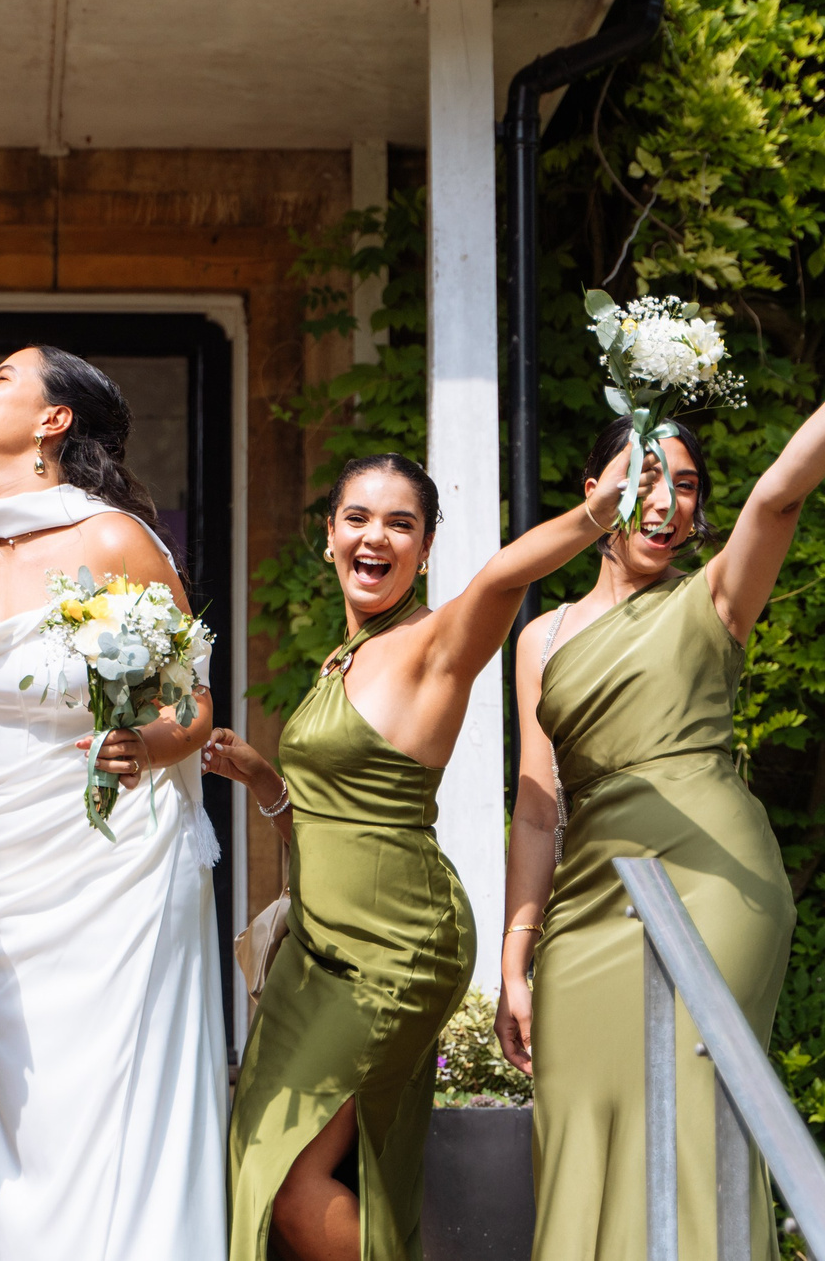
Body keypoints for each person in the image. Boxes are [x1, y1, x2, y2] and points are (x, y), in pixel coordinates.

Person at [498, 303, 825, 1261]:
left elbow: (775, 499)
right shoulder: (543, 638)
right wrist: (518, 950)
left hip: (715, 882)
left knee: (698, 1104)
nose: (665, 502)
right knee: (580, 1120)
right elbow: (536, 805)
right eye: (646, 477)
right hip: (588, 907)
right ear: (596, 491)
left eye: (685, 487)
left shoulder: (715, 597)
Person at [203, 443, 649, 1261]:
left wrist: (600, 509)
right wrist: (263, 778)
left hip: (392, 945)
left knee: (294, 1185)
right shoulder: (344, 655)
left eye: (400, 523)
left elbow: (502, 578)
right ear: (329, 535)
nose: (376, 537)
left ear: (426, 546)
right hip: (317, 947)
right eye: (358, 518)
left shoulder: (432, 643)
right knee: (258, 1159)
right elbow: (333, 824)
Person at [0, 346, 226, 1261]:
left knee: (112, 1095)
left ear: (54, 420)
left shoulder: (114, 539)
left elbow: (194, 704)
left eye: (1, 376)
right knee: (25, 1101)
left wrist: (148, 741)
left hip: (115, 860)